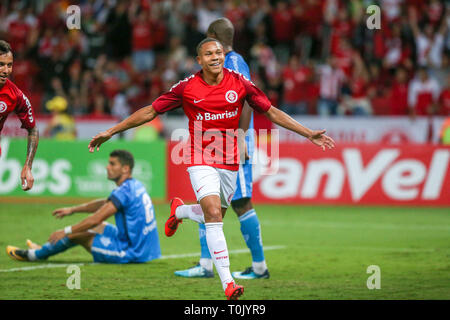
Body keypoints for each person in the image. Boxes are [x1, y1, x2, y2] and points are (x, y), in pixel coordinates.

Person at [87, 38, 335, 300]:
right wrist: (112, 131)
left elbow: (271, 111)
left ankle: (180, 210)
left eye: (218, 52)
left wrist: (308, 134)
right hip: (199, 157)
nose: (215, 57)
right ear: (199, 60)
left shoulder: (239, 82)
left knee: (214, 214)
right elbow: (150, 111)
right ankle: (228, 283)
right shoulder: (187, 87)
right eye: (209, 54)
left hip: (229, 162)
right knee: (214, 214)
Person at [173, 17, 270, 281]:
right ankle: (206, 264)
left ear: (213, 35)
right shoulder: (228, 61)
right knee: (212, 200)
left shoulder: (233, 61)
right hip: (215, 144)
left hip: (232, 144)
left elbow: (248, 100)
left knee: (240, 202)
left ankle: (259, 266)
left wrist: (240, 137)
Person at [7, 150, 161, 264]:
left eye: (112, 164)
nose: (107, 167)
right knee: (99, 226)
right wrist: (73, 210)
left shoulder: (124, 191)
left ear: (125, 169)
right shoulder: (134, 185)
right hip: (144, 248)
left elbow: (95, 219)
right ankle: (44, 248)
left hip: (131, 252)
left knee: (78, 233)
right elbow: (105, 204)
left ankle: (36, 254)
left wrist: (65, 231)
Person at [0, 40, 38, 191]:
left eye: (9, 65)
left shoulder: (15, 95)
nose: (6, 70)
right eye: (1, 64)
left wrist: (28, 166)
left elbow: (33, 129)